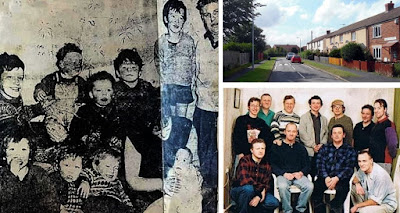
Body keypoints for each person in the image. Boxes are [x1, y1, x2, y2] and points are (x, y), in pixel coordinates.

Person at [113, 49, 162, 179]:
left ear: (140, 72)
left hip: (147, 131)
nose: (129, 71)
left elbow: (156, 107)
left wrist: (156, 125)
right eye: (125, 68)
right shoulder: (114, 90)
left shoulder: (146, 87)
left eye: (133, 68)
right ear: (117, 73)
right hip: (126, 133)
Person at [193, 0, 218, 211]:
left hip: (220, 113)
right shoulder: (199, 45)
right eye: (207, 15)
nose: (213, 19)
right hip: (204, 113)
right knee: (206, 169)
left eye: (217, 13)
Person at [156, 0, 195, 138]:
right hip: (169, 87)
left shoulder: (188, 41)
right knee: (170, 120)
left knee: (182, 120)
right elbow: (158, 64)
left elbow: (193, 62)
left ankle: (181, 144)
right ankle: (172, 144)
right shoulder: (160, 42)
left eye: (181, 17)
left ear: (184, 20)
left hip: (184, 86)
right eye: (173, 16)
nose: (176, 21)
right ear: (166, 19)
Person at [33, 43, 87, 143]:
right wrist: (39, 91)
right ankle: (64, 143)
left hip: (73, 116)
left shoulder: (81, 82)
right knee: (52, 127)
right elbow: (40, 86)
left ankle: (73, 142)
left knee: (81, 127)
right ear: (61, 64)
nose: (77, 65)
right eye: (73, 62)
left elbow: (87, 98)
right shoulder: (51, 79)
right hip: (55, 117)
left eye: (79, 62)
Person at [0, 127, 60, 212]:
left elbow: (52, 203)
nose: (18, 154)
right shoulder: (2, 175)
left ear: (30, 153)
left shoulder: (39, 174)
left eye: (23, 149)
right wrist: (12, 174)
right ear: (4, 155)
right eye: (12, 149)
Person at [69, 71, 123, 155]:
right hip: (90, 150)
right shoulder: (84, 111)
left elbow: (123, 128)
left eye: (108, 90)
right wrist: (84, 138)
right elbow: (74, 130)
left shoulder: (117, 110)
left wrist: (118, 138)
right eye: (99, 90)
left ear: (113, 93)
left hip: (112, 151)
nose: (104, 93)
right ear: (91, 94)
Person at [313, 124, 357, 213]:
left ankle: (333, 208)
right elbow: (319, 163)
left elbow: (349, 168)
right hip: (325, 178)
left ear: (343, 135)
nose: (337, 135)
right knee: (316, 191)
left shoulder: (350, 150)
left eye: (339, 133)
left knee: (342, 192)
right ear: (331, 135)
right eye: (334, 133)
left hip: (341, 179)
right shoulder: (325, 148)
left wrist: (337, 178)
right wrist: (326, 177)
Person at [271, 123, 313, 213]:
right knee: (282, 186)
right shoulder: (277, 147)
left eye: (293, 131)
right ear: (285, 132)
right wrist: (284, 174)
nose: (291, 133)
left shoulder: (301, 148)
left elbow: (307, 165)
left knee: (309, 186)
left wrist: (301, 173)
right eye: (289, 131)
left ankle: (300, 209)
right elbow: (272, 165)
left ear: (296, 133)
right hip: (283, 175)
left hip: (298, 176)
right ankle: (287, 210)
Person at [231, 138, 279, 213]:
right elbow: (245, 180)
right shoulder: (245, 160)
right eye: (257, 148)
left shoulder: (267, 164)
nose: (260, 151)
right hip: (240, 190)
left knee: (273, 202)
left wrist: (259, 195)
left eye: (262, 148)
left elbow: (266, 183)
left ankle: (252, 207)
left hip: (257, 191)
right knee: (248, 189)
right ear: (252, 150)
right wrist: (259, 194)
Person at [0, 52, 42, 135]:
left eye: (20, 78)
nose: (17, 82)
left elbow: (21, 114)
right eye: (10, 77)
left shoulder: (14, 96)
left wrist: (40, 108)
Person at [80, 148, 134, 213]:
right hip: (97, 201)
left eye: (116, 168)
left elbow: (123, 196)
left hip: (115, 204)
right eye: (108, 166)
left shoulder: (117, 182)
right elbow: (84, 173)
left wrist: (129, 206)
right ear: (95, 166)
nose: (112, 171)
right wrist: (85, 182)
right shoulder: (93, 173)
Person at [232, 97, 274, 171]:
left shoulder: (262, 123)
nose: (255, 108)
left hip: (256, 154)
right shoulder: (241, 120)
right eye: (252, 105)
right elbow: (236, 137)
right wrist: (240, 152)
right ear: (248, 107)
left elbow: (269, 137)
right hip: (243, 153)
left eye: (257, 106)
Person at [164, 148, 203, 213]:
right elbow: (168, 186)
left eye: (184, 160)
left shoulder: (191, 173)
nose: (179, 162)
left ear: (189, 165)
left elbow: (195, 189)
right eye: (177, 159)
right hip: (175, 200)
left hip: (188, 202)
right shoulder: (172, 171)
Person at [49, 146, 86, 213]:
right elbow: (47, 196)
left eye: (76, 167)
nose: (71, 171)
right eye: (66, 165)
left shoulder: (81, 181)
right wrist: (60, 208)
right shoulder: (54, 178)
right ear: (58, 166)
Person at [299, 95, 328, 177]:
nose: (316, 105)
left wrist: (322, 144)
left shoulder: (324, 119)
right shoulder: (304, 117)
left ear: (321, 105)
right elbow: (302, 133)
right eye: (313, 103)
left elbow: (326, 133)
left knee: (319, 174)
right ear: (310, 105)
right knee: (308, 174)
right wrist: (313, 145)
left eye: (318, 103)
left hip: (321, 151)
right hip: (308, 152)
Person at [369, 99, 397, 173]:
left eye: (379, 108)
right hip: (374, 162)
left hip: (383, 162)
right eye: (375, 108)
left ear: (385, 109)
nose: (376, 111)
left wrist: (390, 157)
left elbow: (393, 144)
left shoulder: (388, 124)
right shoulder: (375, 125)